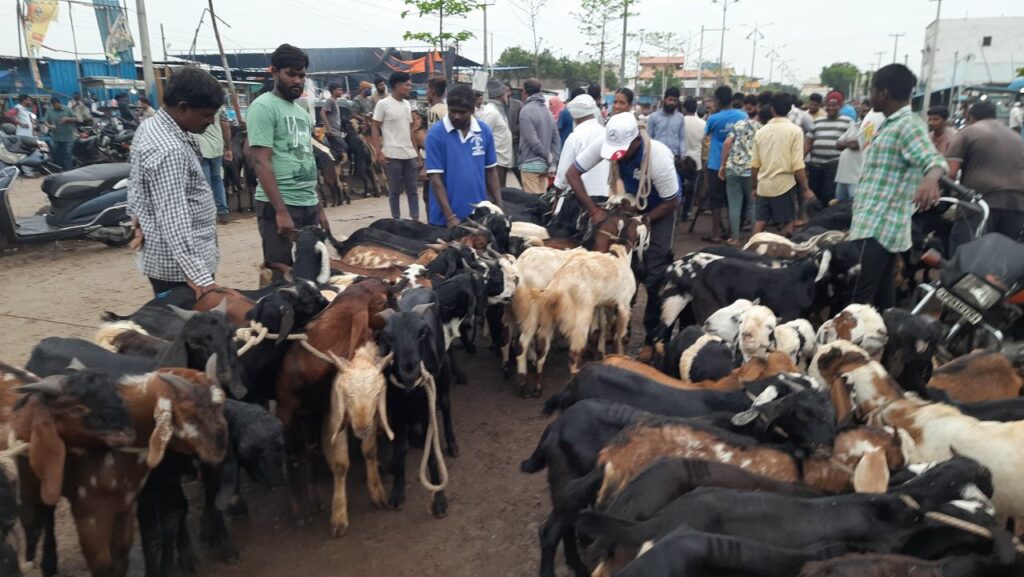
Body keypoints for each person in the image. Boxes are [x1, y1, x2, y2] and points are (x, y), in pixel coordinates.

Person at [565, 112, 680, 359]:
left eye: (623, 150)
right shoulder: (606, 143)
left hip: (659, 210)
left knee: (653, 271)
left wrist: (645, 220)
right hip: (628, 204)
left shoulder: (657, 157)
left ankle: (652, 339)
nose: (617, 154)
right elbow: (572, 174)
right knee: (614, 262)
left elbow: (673, 200)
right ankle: (615, 329)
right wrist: (593, 210)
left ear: (636, 141)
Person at [849, 64, 947, 309]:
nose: (869, 96)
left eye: (871, 90)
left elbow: (934, 160)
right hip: (879, 224)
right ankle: (889, 342)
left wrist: (930, 179)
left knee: (857, 300)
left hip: (878, 225)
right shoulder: (890, 124)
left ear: (882, 92)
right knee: (882, 297)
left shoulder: (908, 125)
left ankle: (848, 345)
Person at [127, 66, 224, 297]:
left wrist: (137, 219)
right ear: (183, 108)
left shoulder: (150, 126)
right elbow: (173, 217)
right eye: (207, 115)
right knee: (188, 330)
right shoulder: (169, 150)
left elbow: (136, 184)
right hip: (181, 273)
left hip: (170, 262)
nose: (211, 122)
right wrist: (199, 277)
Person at [248, 44, 328, 276]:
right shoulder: (263, 107)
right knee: (280, 276)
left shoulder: (302, 113)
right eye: (291, 74)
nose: (297, 81)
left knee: (314, 274)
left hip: (307, 203)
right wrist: (280, 211)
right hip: (279, 205)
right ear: (274, 72)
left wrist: (318, 206)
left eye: (301, 75)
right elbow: (261, 161)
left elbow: (306, 159)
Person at [945, 100, 1024, 253]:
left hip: (981, 204)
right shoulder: (1016, 137)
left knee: (965, 255)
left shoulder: (967, 132)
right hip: (1018, 205)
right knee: (998, 259)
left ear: (970, 117)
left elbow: (950, 173)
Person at [424, 84, 502, 227]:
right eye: (452, 111)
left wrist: (499, 207)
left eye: (462, 112)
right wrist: (450, 217)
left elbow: (490, 171)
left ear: (472, 110)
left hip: (479, 216)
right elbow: (436, 179)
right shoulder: (436, 134)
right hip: (445, 219)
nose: (456, 116)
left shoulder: (483, 131)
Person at [750, 93, 815, 237]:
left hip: (764, 185)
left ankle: (750, 249)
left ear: (772, 109)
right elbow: (797, 164)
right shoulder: (795, 131)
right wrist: (805, 188)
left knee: (760, 222)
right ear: (789, 110)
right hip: (784, 185)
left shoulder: (761, 132)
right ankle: (781, 253)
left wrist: (754, 186)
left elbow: (755, 165)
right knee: (788, 223)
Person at [372, 71, 420, 221]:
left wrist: (416, 151)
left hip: (409, 154)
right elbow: (375, 127)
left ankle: (415, 218)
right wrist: (378, 152)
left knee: (413, 189)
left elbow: (410, 128)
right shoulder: (383, 104)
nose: (409, 88)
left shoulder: (407, 105)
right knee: (394, 190)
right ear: (398, 86)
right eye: (407, 85)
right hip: (392, 154)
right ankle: (396, 220)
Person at [719, 104, 770, 244]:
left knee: (734, 204)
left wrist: (722, 165)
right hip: (752, 171)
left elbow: (727, 143)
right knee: (752, 205)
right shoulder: (765, 130)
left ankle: (735, 238)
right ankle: (754, 239)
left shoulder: (739, 124)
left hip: (733, 168)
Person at [703, 85, 747, 243]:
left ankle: (715, 233)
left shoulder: (713, 118)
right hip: (736, 164)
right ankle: (732, 231)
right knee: (734, 199)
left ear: (718, 100)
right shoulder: (743, 116)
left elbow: (705, 135)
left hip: (715, 164)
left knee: (716, 199)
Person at [554, 94, 609, 198]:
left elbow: (563, 176)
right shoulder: (605, 133)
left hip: (582, 200)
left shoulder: (575, 137)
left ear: (574, 115)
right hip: (606, 196)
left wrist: (556, 198)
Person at [804, 91, 852, 205]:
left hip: (834, 165)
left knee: (828, 195)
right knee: (815, 195)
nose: (831, 108)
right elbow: (808, 142)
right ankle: (815, 219)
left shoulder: (848, 122)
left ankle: (826, 219)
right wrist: (801, 160)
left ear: (840, 106)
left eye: (834, 105)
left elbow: (851, 144)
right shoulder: (817, 121)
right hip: (815, 165)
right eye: (828, 105)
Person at [834, 99, 885, 201]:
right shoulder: (855, 125)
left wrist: (848, 142)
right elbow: (838, 144)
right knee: (837, 209)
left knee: (852, 209)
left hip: (857, 179)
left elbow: (856, 145)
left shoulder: (874, 127)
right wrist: (850, 142)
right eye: (863, 110)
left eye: (868, 111)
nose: (864, 113)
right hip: (842, 177)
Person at [518, 78, 560, 193]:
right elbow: (556, 139)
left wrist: (547, 156)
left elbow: (533, 141)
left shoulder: (525, 111)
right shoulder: (548, 111)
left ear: (524, 92)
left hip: (529, 165)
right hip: (544, 166)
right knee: (541, 202)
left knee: (532, 204)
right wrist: (552, 161)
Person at [476, 79, 514, 186]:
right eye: (506, 94)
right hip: (496, 162)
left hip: (501, 162)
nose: (508, 96)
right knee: (495, 196)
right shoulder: (491, 112)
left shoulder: (498, 110)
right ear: (501, 95)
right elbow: (482, 137)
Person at [198, 104, 233, 224]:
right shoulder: (219, 106)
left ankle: (208, 214)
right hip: (217, 147)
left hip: (200, 148)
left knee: (206, 183)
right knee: (217, 180)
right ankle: (223, 212)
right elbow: (226, 126)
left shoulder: (194, 103)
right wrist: (228, 148)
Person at [680, 97, 705, 220]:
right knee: (691, 188)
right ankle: (687, 212)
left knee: (679, 186)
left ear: (684, 108)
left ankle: (678, 212)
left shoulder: (680, 121)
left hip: (681, 160)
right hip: (696, 161)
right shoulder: (703, 124)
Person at [42, 96, 76, 171]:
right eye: (53, 105)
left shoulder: (67, 109)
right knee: (57, 154)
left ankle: (69, 171)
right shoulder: (49, 111)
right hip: (56, 137)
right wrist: (49, 126)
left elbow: (76, 118)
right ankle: (59, 171)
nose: (55, 106)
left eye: (56, 105)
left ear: (59, 103)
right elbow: (45, 120)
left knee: (68, 154)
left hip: (68, 137)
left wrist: (67, 118)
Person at [505, 83, 523, 186]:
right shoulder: (497, 107)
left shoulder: (517, 104)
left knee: (516, 167)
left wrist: (513, 130)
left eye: (507, 90)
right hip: (502, 142)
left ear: (510, 92)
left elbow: (522, 123)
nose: (506, 93)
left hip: (515, 141)